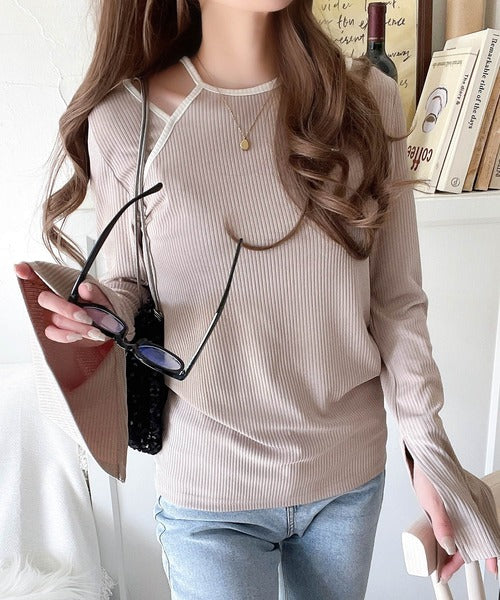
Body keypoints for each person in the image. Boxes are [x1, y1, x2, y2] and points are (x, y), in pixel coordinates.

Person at [15, 0, 500, 598]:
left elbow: (396, 302)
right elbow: (133, 285)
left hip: (345, 480)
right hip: (209, 490)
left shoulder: (366, 101)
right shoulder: (125, 119)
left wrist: (430, 455)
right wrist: (101, 314)